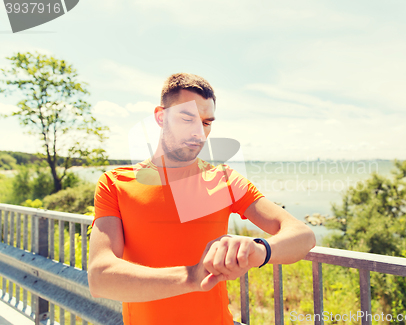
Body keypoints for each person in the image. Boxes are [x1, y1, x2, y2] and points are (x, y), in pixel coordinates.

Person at [87, 72, 316, 325]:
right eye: (188, 118)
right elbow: (100, 277)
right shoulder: (114, 183)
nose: (199, 132)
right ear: (161, 117)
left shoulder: (225, 180)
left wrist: (258, 249)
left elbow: (303, 235)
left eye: (207, 123)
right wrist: (192, 278)